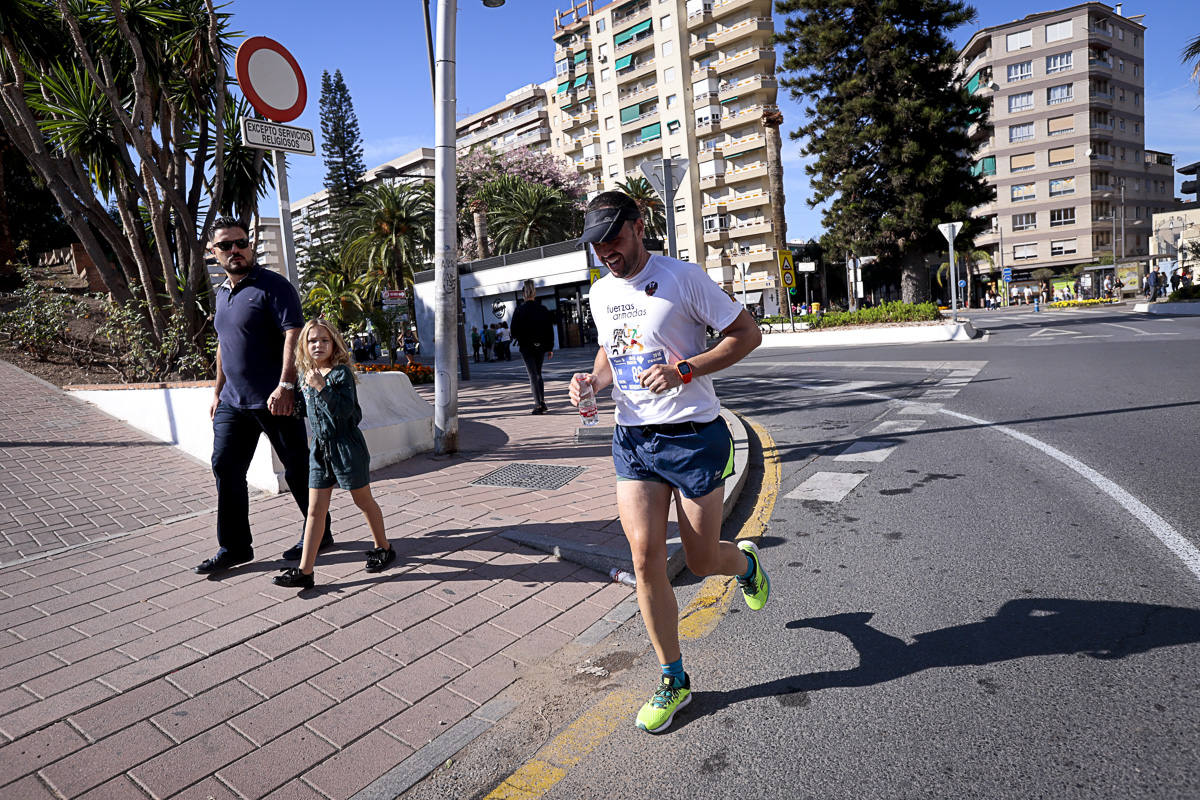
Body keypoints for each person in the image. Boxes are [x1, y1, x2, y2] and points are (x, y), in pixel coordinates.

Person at [568, 192, 767, 734]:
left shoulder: (683, 278)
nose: (605, 251)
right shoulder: (601, 292)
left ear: (637, 228)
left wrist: (687, 370)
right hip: (632, 439)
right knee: (644, 559)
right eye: (596, 244)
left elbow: (746, 334)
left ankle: (744, 564)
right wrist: (591, 382)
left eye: (612, 238)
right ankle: (673, 678)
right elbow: (611, 352)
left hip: (693, 439)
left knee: (701, 561)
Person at [195, 217, 332, 575]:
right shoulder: (223, 293)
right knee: (225, 467)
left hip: (276, 398)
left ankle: (321, 531)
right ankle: (235, 546)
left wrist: (285, 386)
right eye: (225, 245)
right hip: (233, 403)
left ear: (250, 246)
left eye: (240, 243)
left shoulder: (274, 286)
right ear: (214, 252)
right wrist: (217, 391)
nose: (234, 250)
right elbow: (224, 346)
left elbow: (293, 334)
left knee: (298, 469)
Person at [272, 319, 394, 589]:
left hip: (346, 446)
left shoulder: (340, 375)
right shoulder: (307, 374)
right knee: (315, 511)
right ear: (304, 345)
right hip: (319, 449)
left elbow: (344, 411)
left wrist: (321, 387)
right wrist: (289, 405)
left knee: (363, 501)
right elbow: (310, 411)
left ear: (334, 344)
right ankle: (305, 571)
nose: (318, 345)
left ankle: (383, 547)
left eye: (324, 340)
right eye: (312, 340)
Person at [510, 279, 555, 414]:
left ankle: (538, 405)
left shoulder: (520, 310)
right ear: (535, 293)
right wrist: (549, 347)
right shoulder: (542, 309)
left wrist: (521, 339)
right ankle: (542, 401)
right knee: (538, 374)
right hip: (540, 346)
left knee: (532, 375)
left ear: (523, 294)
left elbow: (513, 330)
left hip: (526, 346)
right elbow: (549, 329)